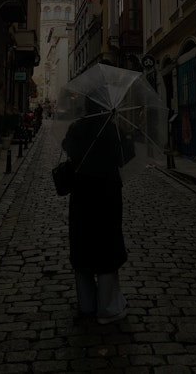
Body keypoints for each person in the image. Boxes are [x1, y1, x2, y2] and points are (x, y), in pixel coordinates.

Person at [61, 99, 129, 324]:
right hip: (107, 195)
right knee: (107, 248)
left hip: (82, 195)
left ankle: (87, 305)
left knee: (83, 248)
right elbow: (125, 156)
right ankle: (108, 308)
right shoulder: (111, 129)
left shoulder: (77, 127)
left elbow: (66, 146)